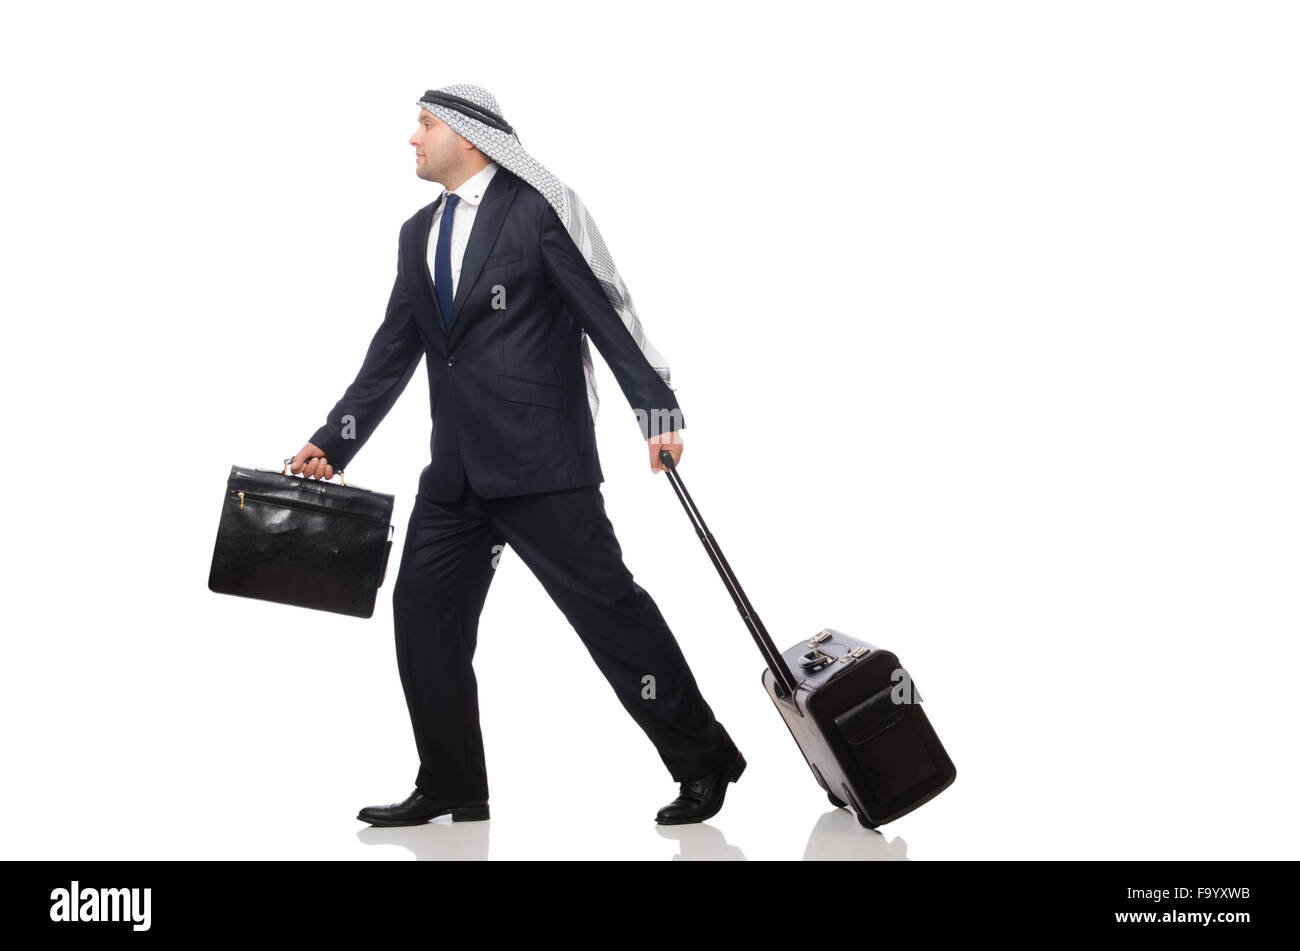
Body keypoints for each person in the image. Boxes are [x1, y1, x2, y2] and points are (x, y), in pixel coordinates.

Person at [290, 85, 744, 826]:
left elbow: (606, 308)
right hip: (455, 476)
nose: (412, 138)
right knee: (422, 616)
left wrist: (656, 410)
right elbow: (393, 352)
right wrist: (334, 439)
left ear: (469, 136)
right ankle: (452, 783)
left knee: (611, 617)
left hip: (544, 465)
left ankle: (705, 760)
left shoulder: (538, 210)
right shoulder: (416, 234)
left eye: (425, 124)